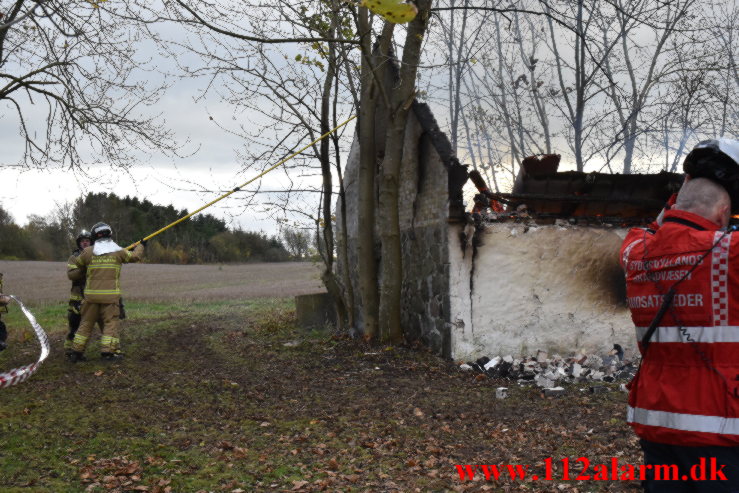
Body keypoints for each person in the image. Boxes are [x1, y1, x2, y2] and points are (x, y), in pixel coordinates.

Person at [620, 138, 739, 492]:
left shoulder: (634, 253)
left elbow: (655, 228)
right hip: (719, 433)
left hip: (657, 426)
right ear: (723, 213)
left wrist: (687, 190)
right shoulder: (729, 254)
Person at [68, 222, 145, 362]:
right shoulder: (118, 251)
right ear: (110, 234)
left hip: (90, 297)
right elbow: (135, 257)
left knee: (85, 324)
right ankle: (108, 353)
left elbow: (78, 263)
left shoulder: (88, 251)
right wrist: (141, 246)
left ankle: (76, 353)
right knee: (110, 323)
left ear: (94, 236)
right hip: (109, 298)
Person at [65, 229, 92, 356]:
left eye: (87, 241)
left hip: (92, 295)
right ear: (79, 243)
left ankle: (79, 349)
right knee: (75, 323)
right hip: (77, 296)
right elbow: (71, 275)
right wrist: (84, 269)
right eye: (83, 241)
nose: (85, 243)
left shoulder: (95, 255)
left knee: (87, 325)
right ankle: (69, 348)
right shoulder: (74, 257)